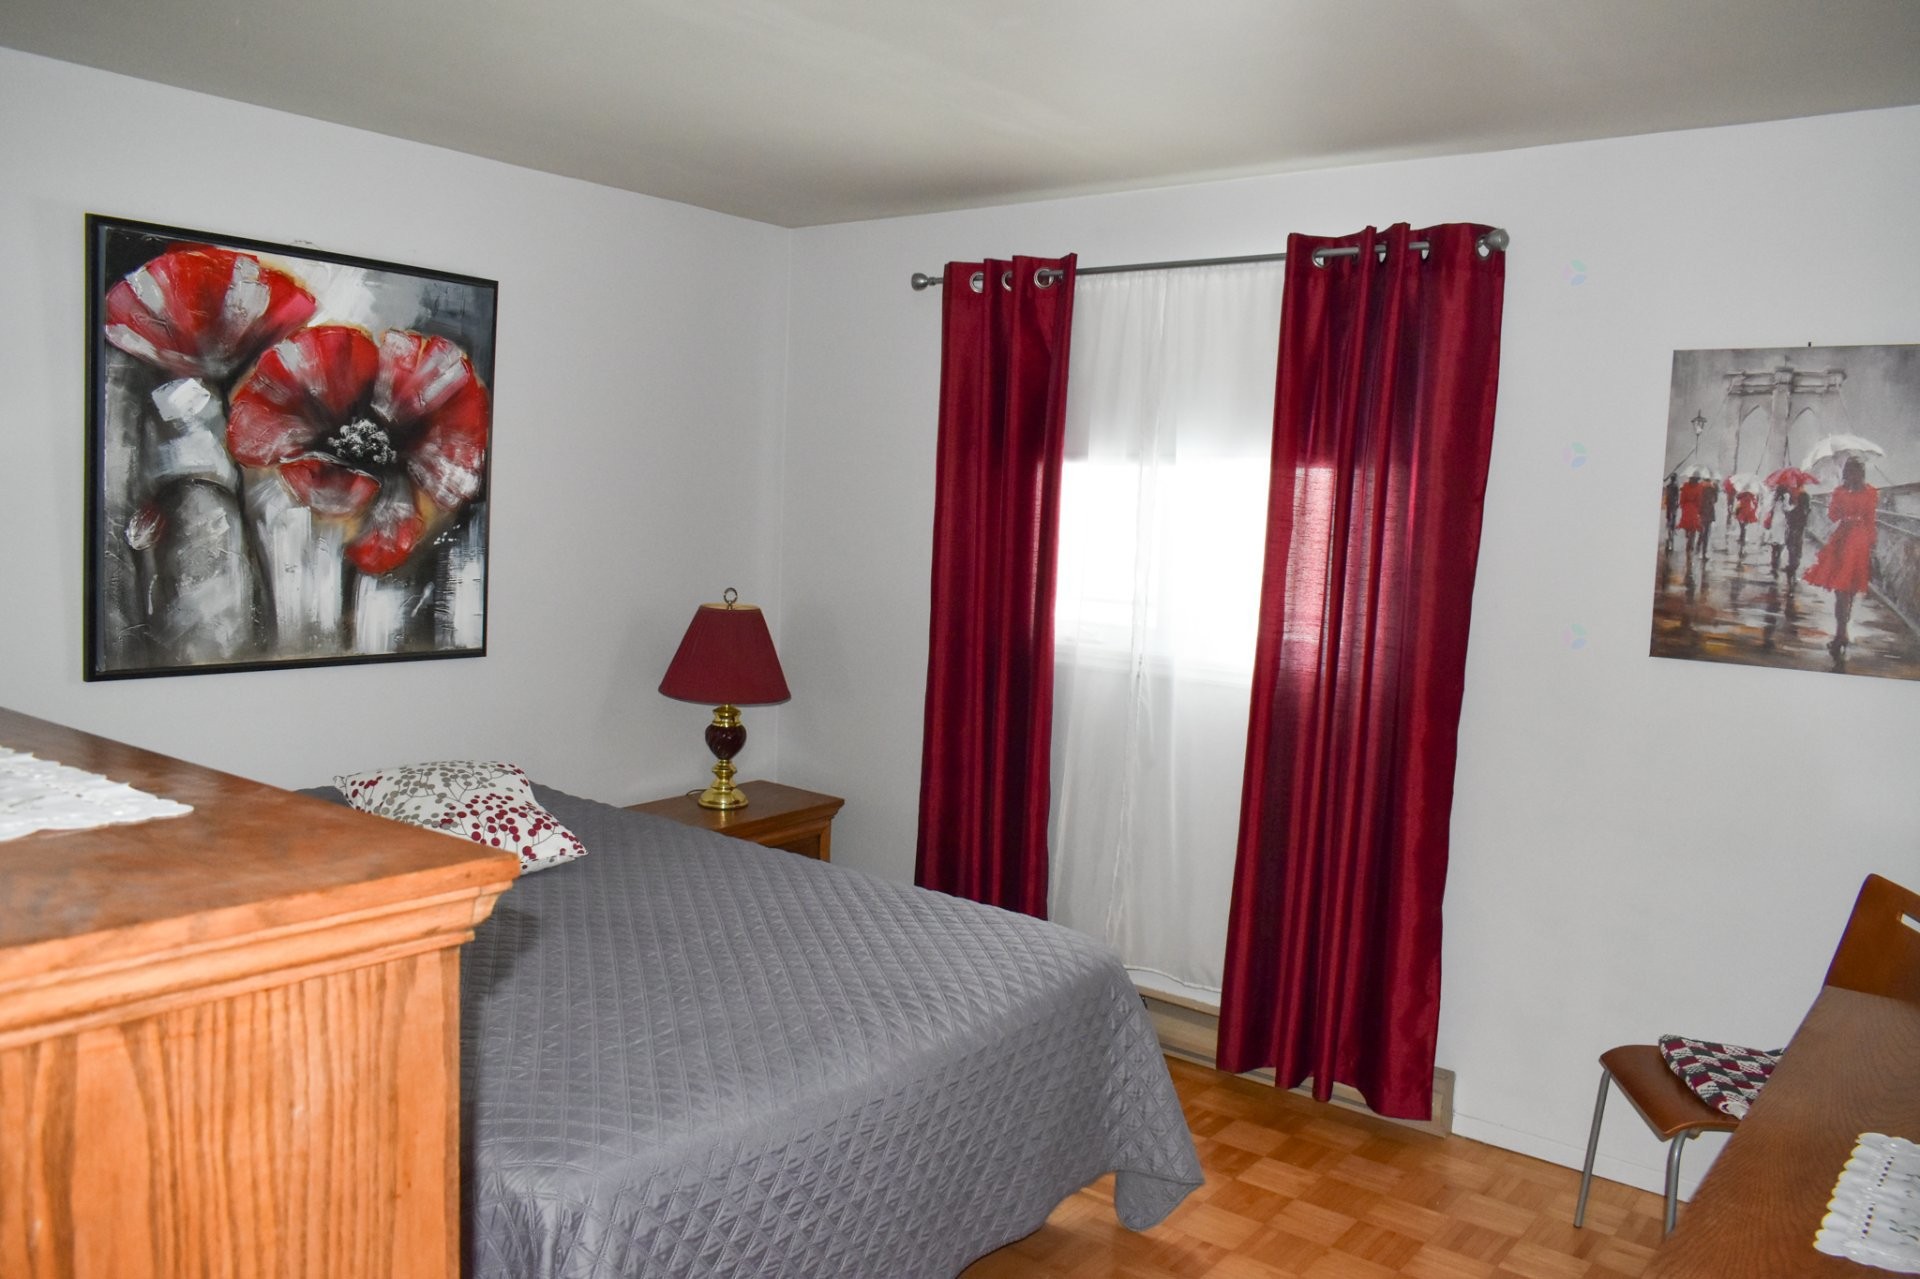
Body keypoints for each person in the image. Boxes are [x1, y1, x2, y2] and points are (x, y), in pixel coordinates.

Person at [1805, 458, 1878, 656]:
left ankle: (1841, 633)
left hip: (1849, 540)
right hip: (1855, 540)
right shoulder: (1868, 492)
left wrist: (1840, 505)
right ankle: (1841, 632)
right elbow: (1870, 521)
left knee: (1843, 589)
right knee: (1846, 589)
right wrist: (1871, 544)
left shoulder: (1843, 491)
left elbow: (1832, 516)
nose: (1853, 476)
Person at [1677, 471, 1705, 558]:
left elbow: (1682, 498)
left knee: (1686, 523)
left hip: (1686, 507)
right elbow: (1699, 500)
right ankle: (1690, 544)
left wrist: (1683, 505)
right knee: (1693, 526)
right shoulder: (1699, 487)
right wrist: (1699, 509)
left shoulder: (1685, 486)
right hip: (1694, 508)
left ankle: (1687, 534)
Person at [1696, 475, 1720, 563]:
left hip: (1701, 512)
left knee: (1701, 529)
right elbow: (1715, 500)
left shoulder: (1700, 488)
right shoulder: (1712, 488)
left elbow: (1697, 499)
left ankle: (1698, 545)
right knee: (1706, 532)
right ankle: (1704, 552)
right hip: (1709, 513)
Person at [1733, 485, 1759, 550]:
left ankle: (1742, 538)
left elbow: (1738, 506)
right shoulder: (1751, 497)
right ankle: (1743, 538)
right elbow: (1755, 505)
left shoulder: (1741, 497)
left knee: (1742, 527)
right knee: (1744, 527)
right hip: (1748, 514)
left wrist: (1735, 513)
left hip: (1741, 514)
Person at [1663, 472, 1681, 547]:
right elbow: (1677, 497)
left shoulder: (1668, 486)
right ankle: (1672, 530)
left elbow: (1667, 495)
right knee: (1673, 517)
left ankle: (1669, 529)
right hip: (1673, 504)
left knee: (1668, 517)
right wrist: (1677, 503)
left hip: (1669, 504)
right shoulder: (1676, 486)